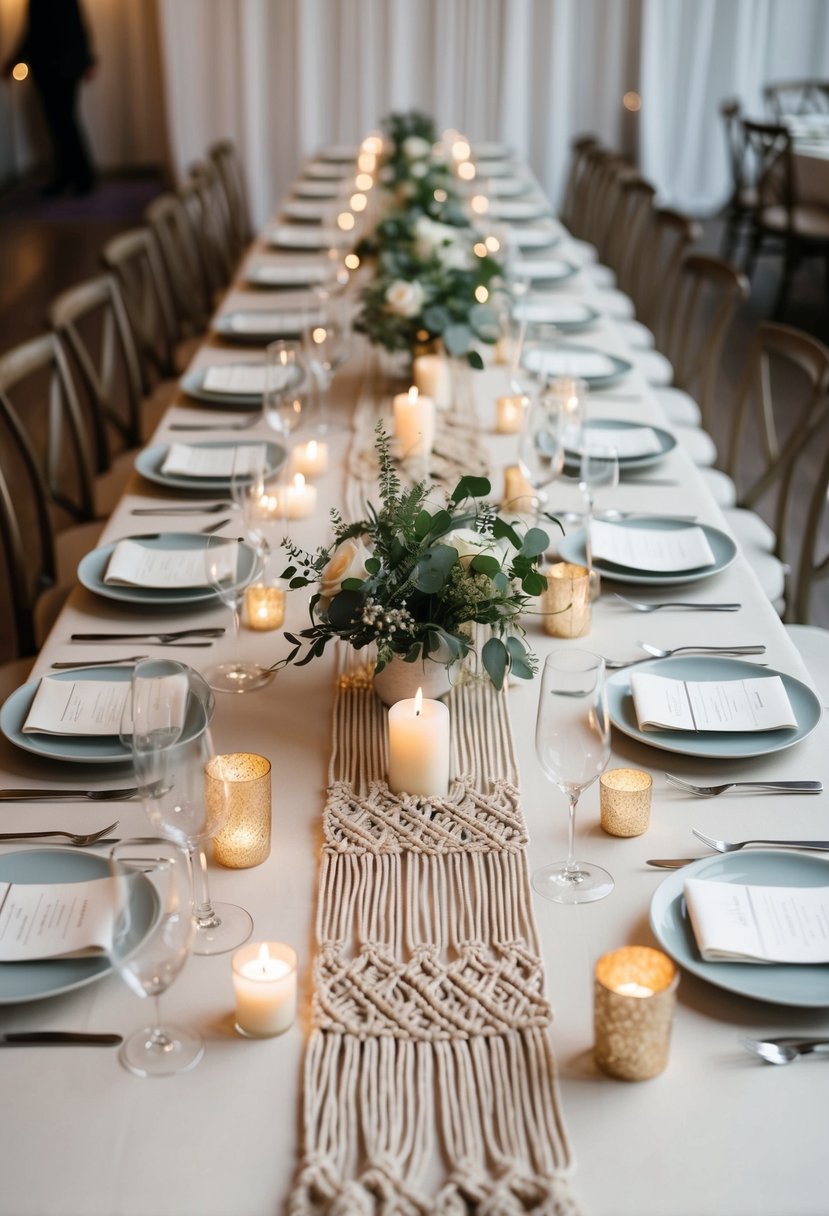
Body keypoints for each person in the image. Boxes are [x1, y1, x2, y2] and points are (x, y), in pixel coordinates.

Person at [3, 0, 97, 196]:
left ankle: (79, 176)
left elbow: (75, 28)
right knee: (61, 123)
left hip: (59, 67)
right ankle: (72, 176)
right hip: (54, 67)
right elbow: (33, 33)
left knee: (63, 123)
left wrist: (88, 60)